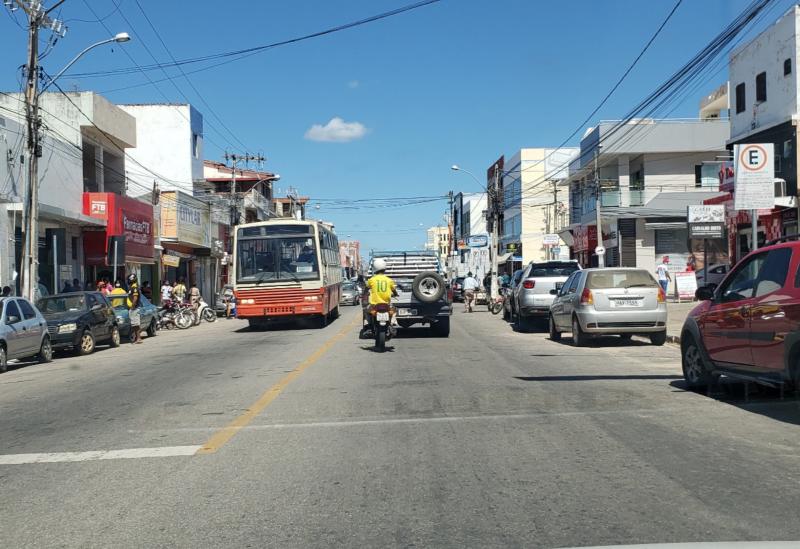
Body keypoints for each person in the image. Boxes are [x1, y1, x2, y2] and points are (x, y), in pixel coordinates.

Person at [361, 258, 397, 337]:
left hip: (374, 305)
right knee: (394, 311)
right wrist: (395, 294)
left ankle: (368, 327)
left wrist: (364, 294)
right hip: (386, 304)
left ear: (375, 268)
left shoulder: (372, 280)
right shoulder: (389, 280)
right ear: (384, 269)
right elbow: (394, 290)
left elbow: (366, 289)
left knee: (366, 311)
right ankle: (392, 324)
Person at [126, 273, 143, 344]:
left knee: (136, 324)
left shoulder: (134, 287)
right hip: (132, 308)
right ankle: (137, 338)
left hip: (134, 308)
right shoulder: (132, 287)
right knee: (134, 324)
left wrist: (133, 307)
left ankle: (138, 338)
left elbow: (135, 298)